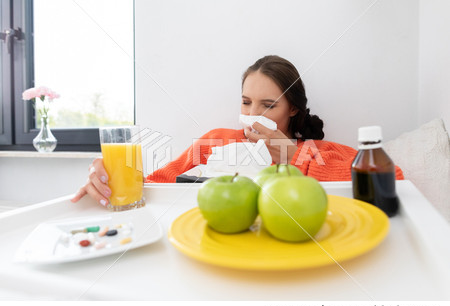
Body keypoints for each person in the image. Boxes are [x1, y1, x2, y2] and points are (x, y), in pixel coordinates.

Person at [71, 55, 403, 207]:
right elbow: (154, 186)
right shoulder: (217, 141)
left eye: (268, 105)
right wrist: (111, 178)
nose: (252, 115)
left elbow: (395, 180)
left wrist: (297, 157)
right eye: (246, 103)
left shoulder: (318, 151)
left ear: (294, 109)